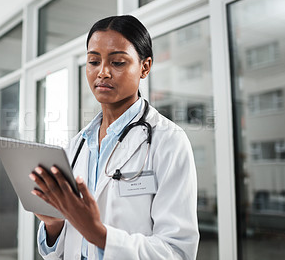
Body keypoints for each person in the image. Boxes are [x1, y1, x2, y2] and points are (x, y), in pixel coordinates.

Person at [29, 15, 199, 260]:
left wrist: (99, 234)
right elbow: (63, 250)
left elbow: (177, 252)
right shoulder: (77, 146)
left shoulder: (169, 140)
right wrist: (54, 225)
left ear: (145, 67)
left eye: (118, 62)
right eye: (93, 61)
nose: (103, 72)